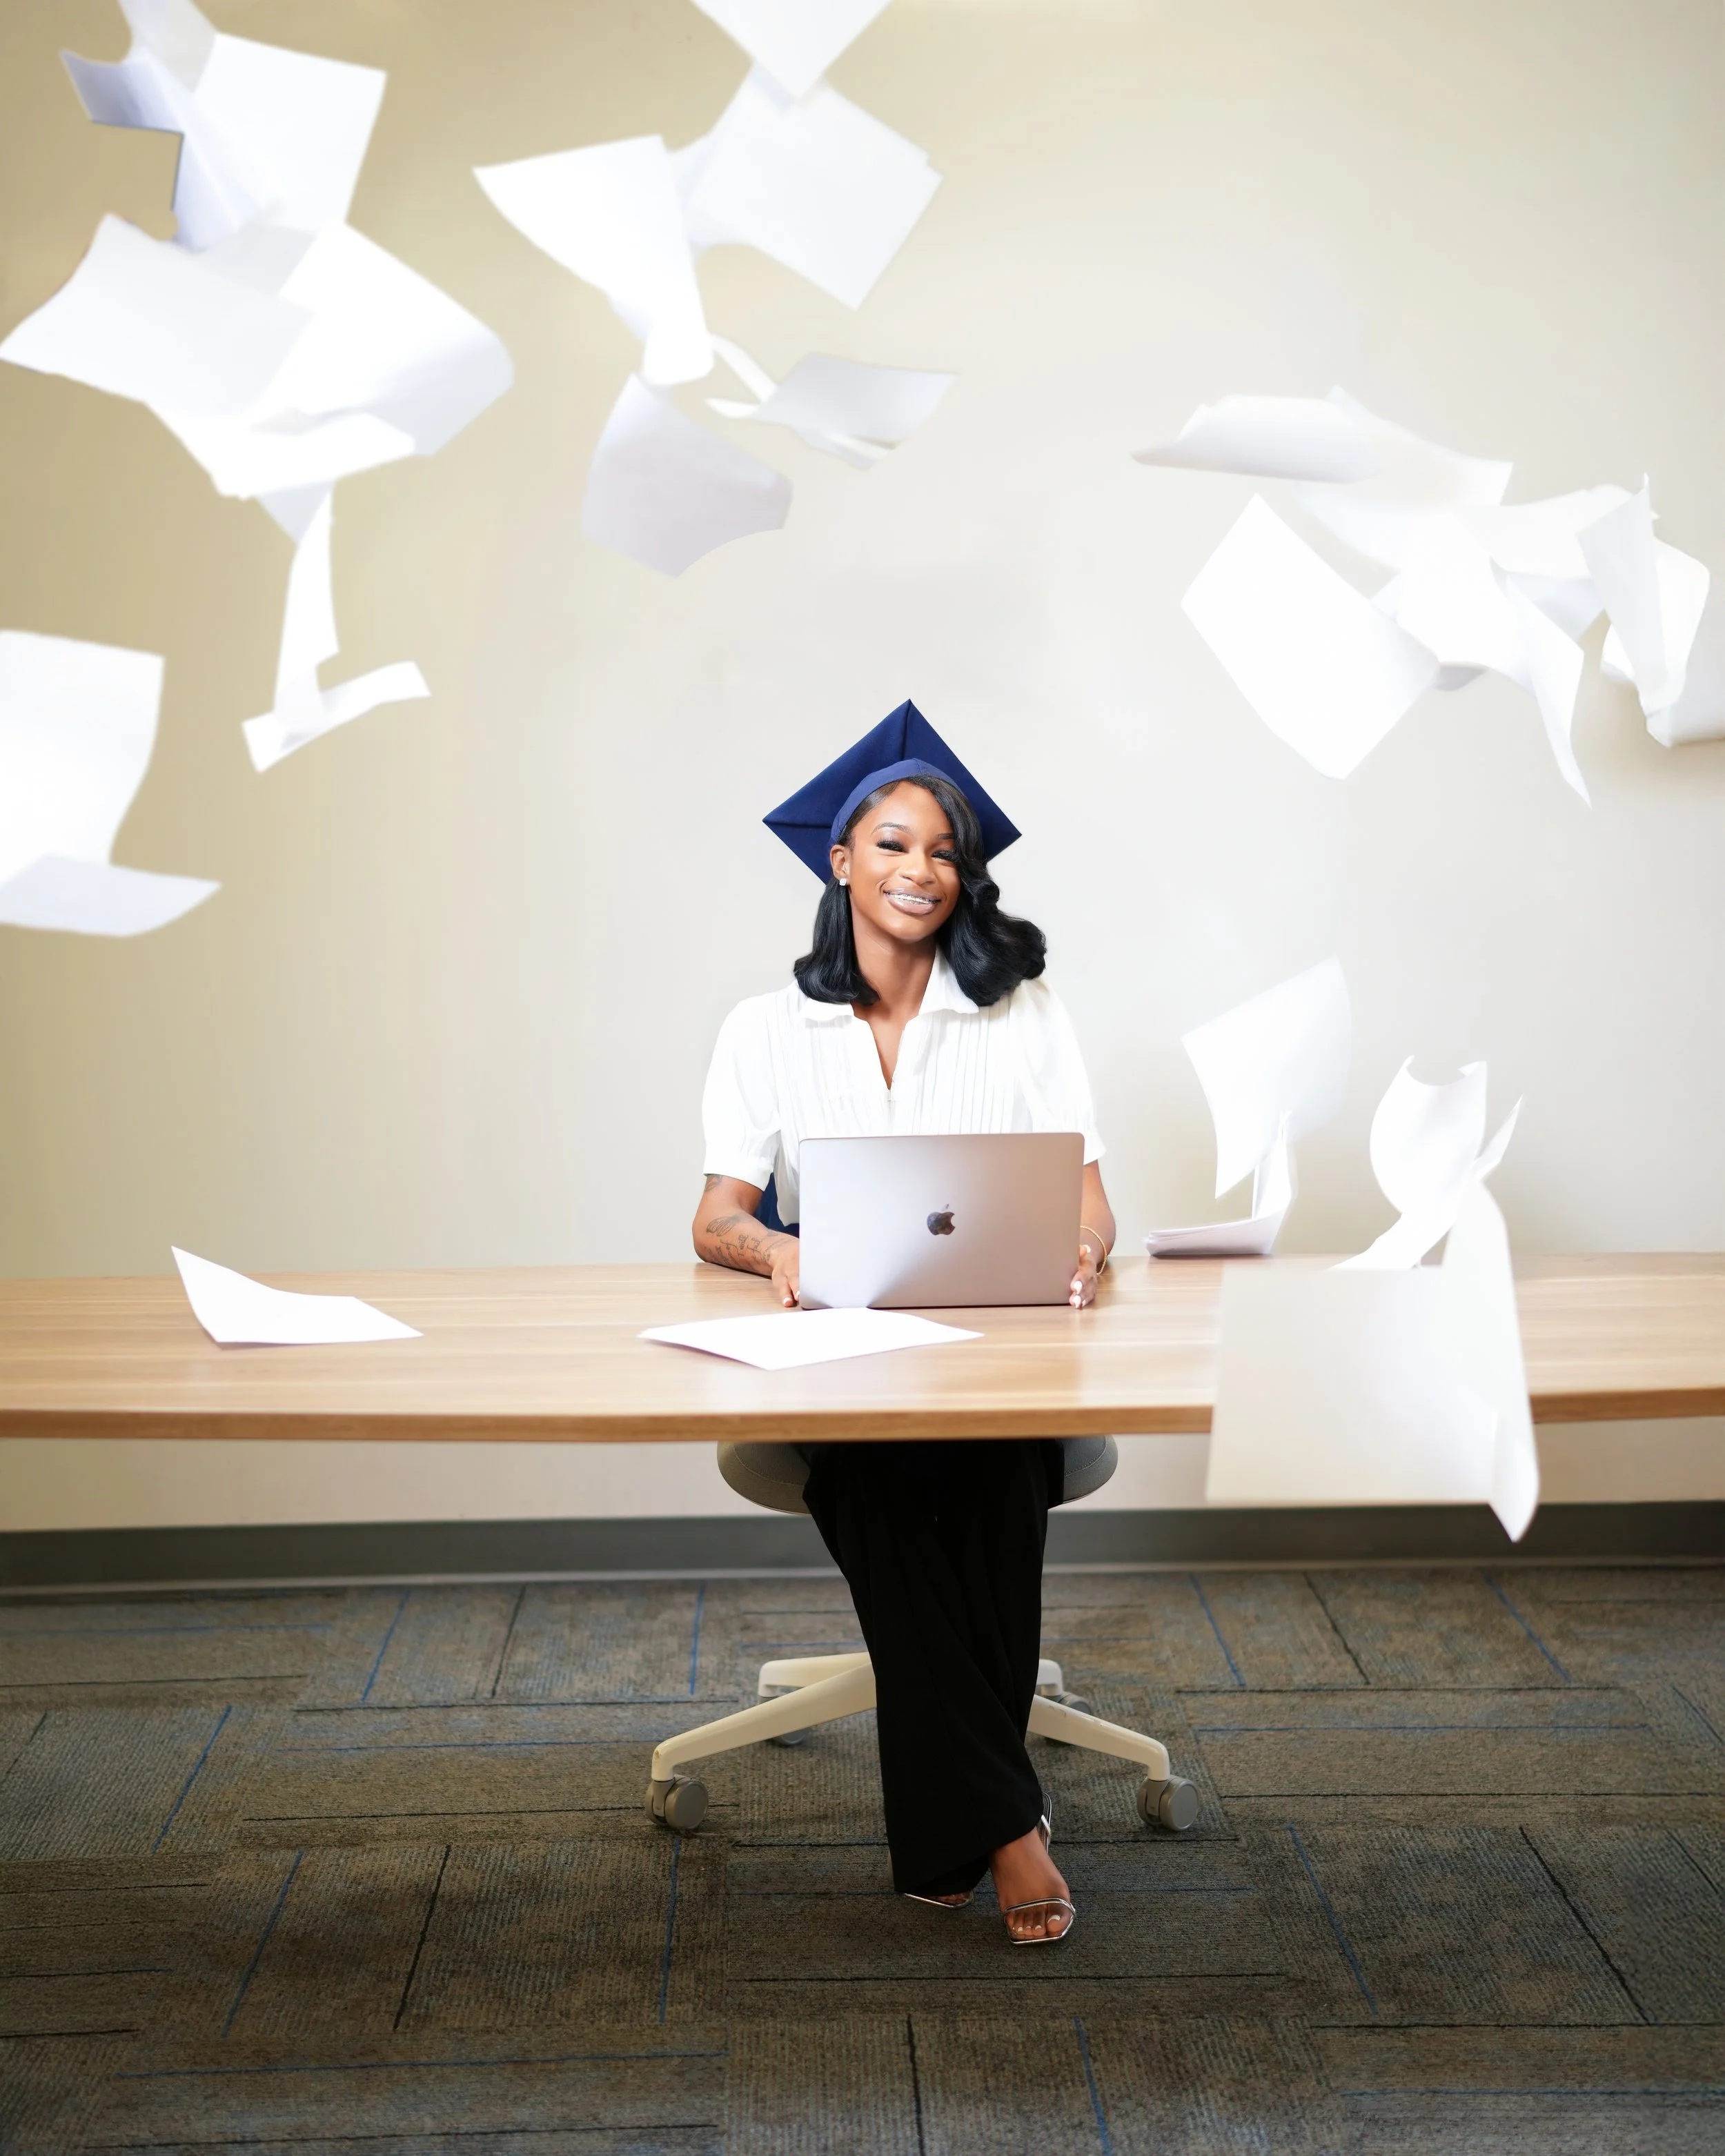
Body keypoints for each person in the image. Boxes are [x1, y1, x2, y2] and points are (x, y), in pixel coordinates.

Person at [691, 701, 1115, 1946]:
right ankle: (1010, 1827)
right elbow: (716, 1218)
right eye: (891, 845)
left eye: (941, 851)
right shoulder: (766, 1028)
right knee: (884, 1487)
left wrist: (1079, 1255)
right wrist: (782, 1247)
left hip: (1001, 1350)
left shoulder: (1021, 1011)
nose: (919, 871)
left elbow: (1092, 1204)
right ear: (841, 860)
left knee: (988, 1482)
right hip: (840, 1357)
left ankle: (954, 1827)